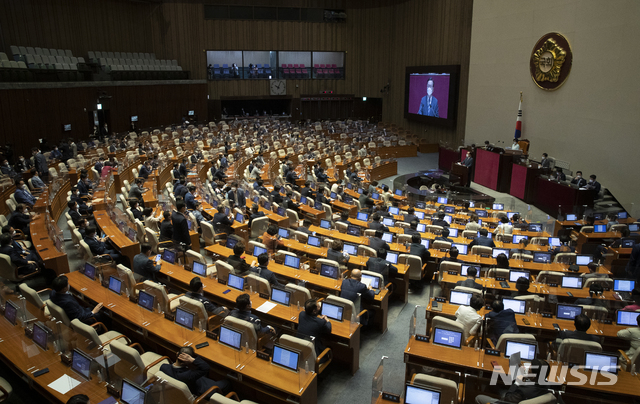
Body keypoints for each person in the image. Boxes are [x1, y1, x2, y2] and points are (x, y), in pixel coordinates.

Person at [159, 346, 230, 400]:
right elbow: (206, 368)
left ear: (177, 354)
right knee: (227, 382)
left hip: (178, 391)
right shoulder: (188, 375)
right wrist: (193, 360)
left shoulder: (163, 367)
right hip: (201, 390)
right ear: (188, 360)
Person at [474, 359, 551, 404]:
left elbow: (508, 399)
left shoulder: (523, 391)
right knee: (495, 386)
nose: (527, 369)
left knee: (479, 397)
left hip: (510, 400)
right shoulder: (546, 385)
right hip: (521, 397)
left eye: (529, 370)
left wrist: (517, 382)